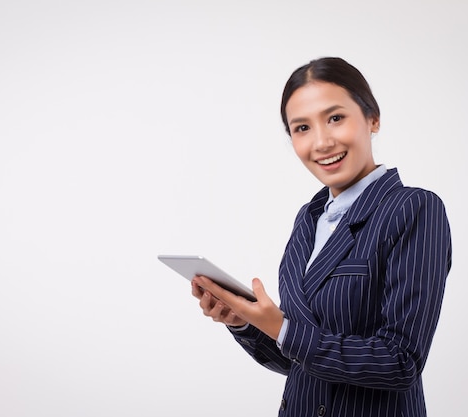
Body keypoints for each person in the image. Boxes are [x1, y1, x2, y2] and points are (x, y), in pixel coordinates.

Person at [191, 57, 452, 417]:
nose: (322, 142)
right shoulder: (309, 219)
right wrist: (245, 322)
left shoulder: (414, 208)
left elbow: (400, 362)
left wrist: (282, 327)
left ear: (372, 118)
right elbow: (301, 364)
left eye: (335, 118)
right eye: (301, 128)